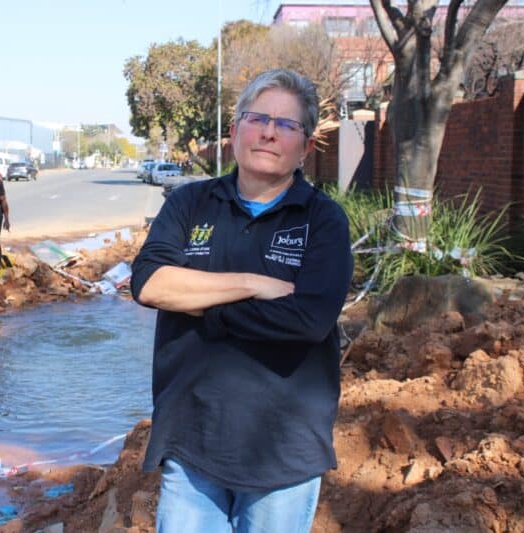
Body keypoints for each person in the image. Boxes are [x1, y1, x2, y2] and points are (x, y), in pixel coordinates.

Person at [131, 69, 353, 533]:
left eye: (287, 125)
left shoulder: (324, 221)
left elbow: (308, 321)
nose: (270, 132)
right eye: (258, 118)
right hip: (191, 439)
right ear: (234, 131)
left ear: (306, 147)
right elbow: (150, 285)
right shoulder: (188, 204)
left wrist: (197, 300)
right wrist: (253, 283)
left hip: (284, 449)